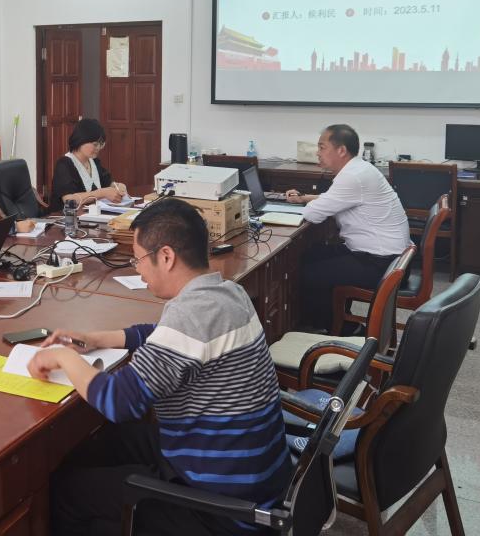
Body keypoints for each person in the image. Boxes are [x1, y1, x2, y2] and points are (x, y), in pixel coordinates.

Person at [27, 198, 290, 536]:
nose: (137, 270)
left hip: (223, 511)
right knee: (98, 446)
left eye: (138, 259)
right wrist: (97, 338)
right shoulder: (227, 293)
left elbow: (119, 401)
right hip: (244, 472)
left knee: (67, 493)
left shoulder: (189, 315)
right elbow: (162, 335)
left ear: (166, 257)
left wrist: (64, 357)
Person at [285, 124, 411, 331]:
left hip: (382, 264)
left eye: (322, 147)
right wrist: (304, 198)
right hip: (392, 257)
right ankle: (334, 319)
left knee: (311, 273)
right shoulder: (359, 168)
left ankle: (338, 329)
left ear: (341, 150)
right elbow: (336, 198)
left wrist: (304, 204)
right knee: (312, 254)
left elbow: (312, 214)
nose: (317, 153)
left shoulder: (352, 177)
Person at [50, 118, 128, 213]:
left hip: (91, 216)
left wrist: (118, 186)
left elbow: (108, 183)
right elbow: (69, 200)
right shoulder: (64, 164)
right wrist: (102, 193)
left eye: (101, 144)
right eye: (95, 144)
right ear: (81, 140)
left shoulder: (94, 162)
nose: (98, 148)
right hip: (66, 218)